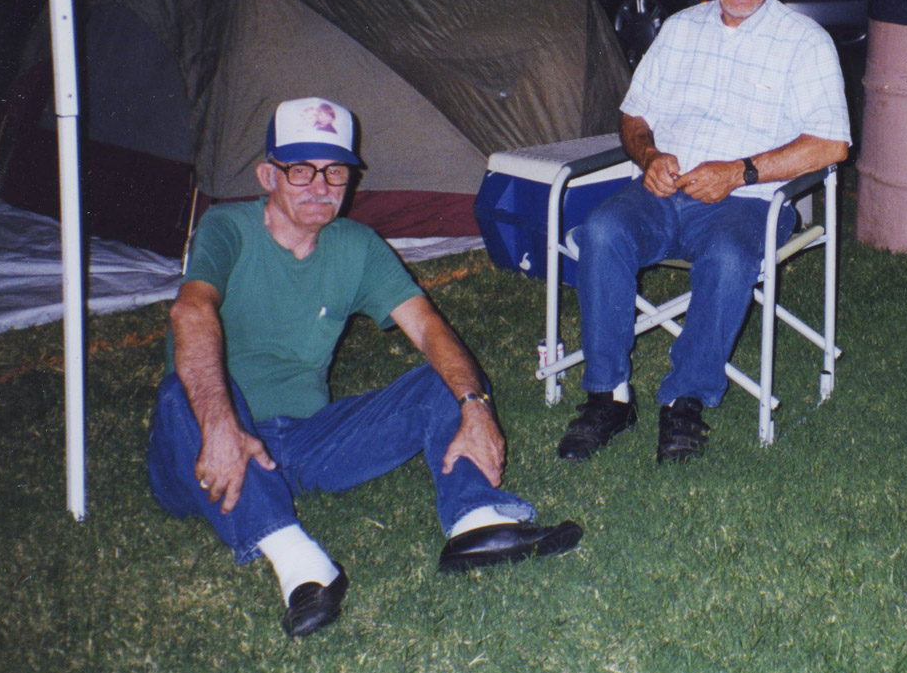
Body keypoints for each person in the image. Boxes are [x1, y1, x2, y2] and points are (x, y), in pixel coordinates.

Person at [147, 97, 582, 639]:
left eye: (335, 171)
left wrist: (475, 407)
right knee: (181, 392)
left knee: (446, 379)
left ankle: (476, 522)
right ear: (267, 175)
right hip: (203, 451)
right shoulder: (227, 228)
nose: (320, 186)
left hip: (304, 442)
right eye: (301, 169)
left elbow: (429, 328)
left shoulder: (356, 245)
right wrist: (220, 426)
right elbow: (190, 312)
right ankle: (302, 567)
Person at [556, 0, 851, 464]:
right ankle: (608, 397)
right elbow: (633, 115)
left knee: (729, 257)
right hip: (662, 191)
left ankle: (685, 400)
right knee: (602, 231)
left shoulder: (805, 42)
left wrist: (738, 172)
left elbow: (831, 144)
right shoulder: (679, 30)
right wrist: (649, 155)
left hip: (748, 200)